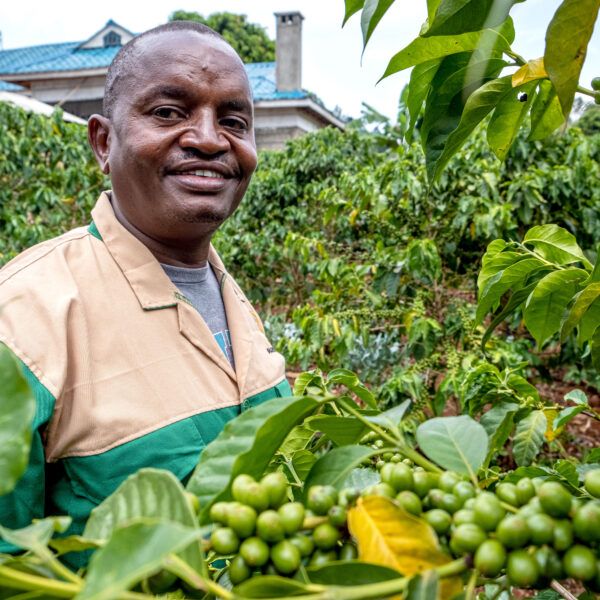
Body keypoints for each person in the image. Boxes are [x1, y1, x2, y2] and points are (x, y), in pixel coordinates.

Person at [0, 21, 290, 548]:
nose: (208, 139)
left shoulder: (229, 294)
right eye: (168, 113)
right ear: (104, 142)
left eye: (233, 120)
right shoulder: (21, 318)